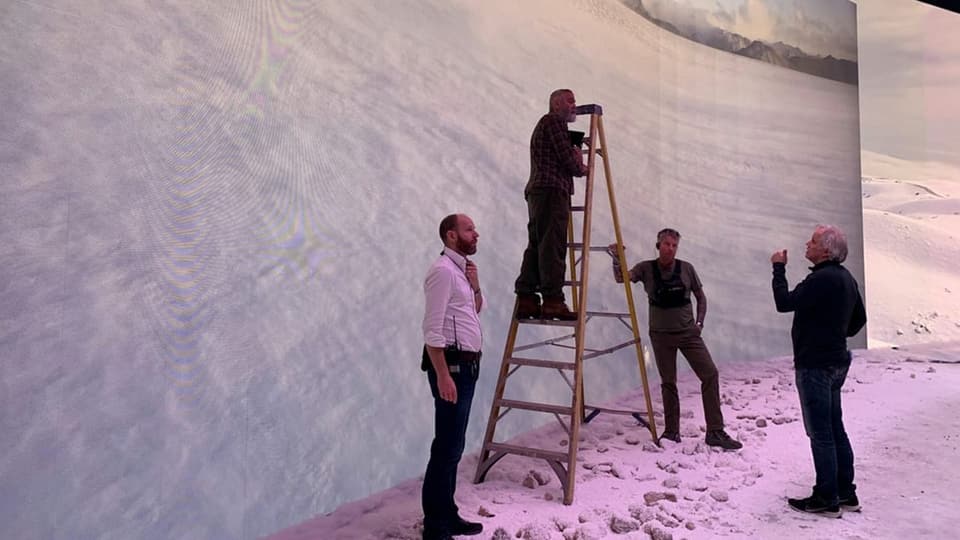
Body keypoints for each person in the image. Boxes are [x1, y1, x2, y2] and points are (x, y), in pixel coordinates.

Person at [608, 228, 742, 450]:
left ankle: (715, 431)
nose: (670, 248)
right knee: (668, 382)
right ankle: (671, 432)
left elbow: (701, 297)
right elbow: (622, 278)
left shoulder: (686, 268)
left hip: (688, 334)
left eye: (674, 245)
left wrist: (699, 324)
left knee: (710, 374)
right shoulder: (646, 268)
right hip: (661, 336)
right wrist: (616, 258)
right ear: (658, 245)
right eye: (667, 244)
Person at [771, 224, 866, 518]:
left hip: (815, 365)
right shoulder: (846, 279)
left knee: (821, 432)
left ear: (826, 250)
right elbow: (858, 319)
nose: (806, 244)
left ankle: (827, 497)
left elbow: (783, 303)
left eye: (812, 241)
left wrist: (778, 269)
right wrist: (836, 332)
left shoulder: (820, 280)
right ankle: (846, 492)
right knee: (835, 427)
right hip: (837, 361)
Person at [420, 214, 485, 539]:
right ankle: (435, 526)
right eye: (469, 229)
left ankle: (448, 514)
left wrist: (475, 285)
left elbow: (474, 309)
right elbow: (432, 330)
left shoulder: (460, 271)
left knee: (454, 447)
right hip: (453, 369)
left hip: (466, 368)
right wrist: (443, 374)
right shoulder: (442, 272)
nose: (476, 234)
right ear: (451, 235)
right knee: (445, 448)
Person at [514, 88, 589, 320]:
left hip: (539, 191)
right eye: (570, 100)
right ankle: (553, 300)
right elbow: (569, 161)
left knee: (537, 244)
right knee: (553, 245)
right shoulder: (554, 122)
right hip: (552, 190)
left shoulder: (545, 124)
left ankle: (527, 298)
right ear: (556, 105)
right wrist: (581, 164)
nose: (574, 104)